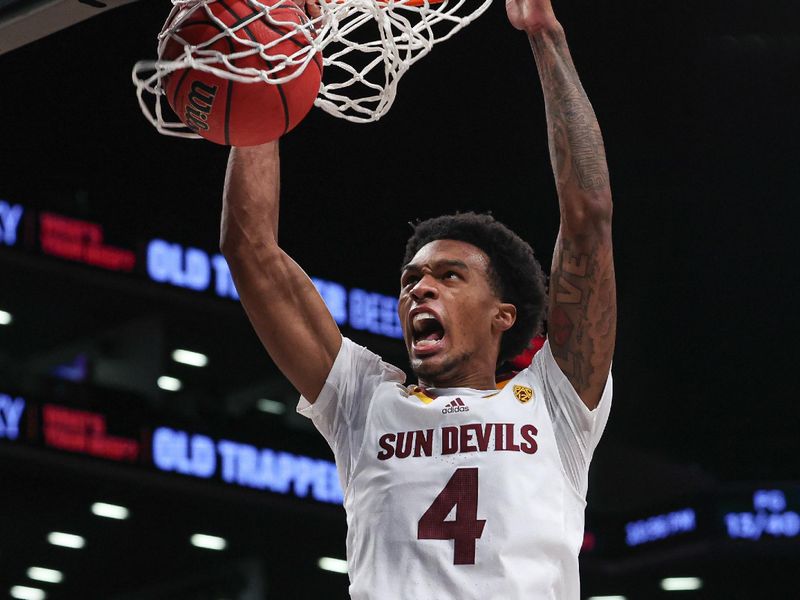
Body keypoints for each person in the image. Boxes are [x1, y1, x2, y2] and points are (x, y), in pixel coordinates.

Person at [220, 0, 616, 596]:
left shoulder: (553, 405)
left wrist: (545, 35)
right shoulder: (363, 400)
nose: (419, 288)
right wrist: (265, 73)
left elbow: (587, 218)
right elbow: (250, 249)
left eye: (449, 277)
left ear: (502, 316)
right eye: (410, 281)